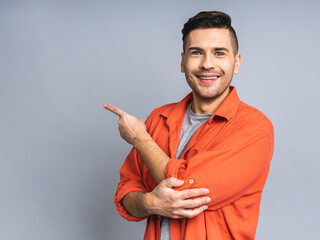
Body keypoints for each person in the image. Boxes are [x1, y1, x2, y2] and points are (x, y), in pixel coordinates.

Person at [104, 11, 274, 240]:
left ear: (236, 63)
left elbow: (184, 192)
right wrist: (149, 202)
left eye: (219, 53)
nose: (207, 64)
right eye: (196, 53)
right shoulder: (159, 118)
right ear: (183, 62)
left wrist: (139, 138)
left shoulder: (254, 128)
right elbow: (126, 193)